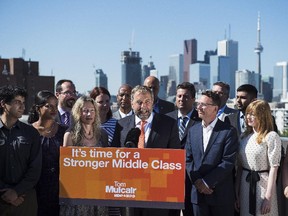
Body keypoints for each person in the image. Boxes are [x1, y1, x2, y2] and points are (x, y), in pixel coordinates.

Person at [112, 85, 181, 216]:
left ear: (153, 102)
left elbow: (175, 158)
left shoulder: (169, 124)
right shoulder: (121, 125)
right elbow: (115, 157)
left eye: (147, 102)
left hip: (158, 193)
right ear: (131, 104)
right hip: (130, 193)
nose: (143, 106)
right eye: (139, 102)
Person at [186, 90, 238, 216]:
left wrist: (206, 182)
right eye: (198, 104)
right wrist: (198, 181)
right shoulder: (193, 131)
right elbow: (187, 159)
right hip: (197, 196)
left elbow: (228, 162)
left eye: (203, 104)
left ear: (215, 108)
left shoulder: (228, 131)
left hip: (220, 196)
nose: (198, 107)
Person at [61, 96, 108, 216]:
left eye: (92, 110)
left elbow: (107, 162)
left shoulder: (102, 134)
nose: (89, 114)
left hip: (98, 190)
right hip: (76, 192)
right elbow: (66, 169)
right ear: (78, 112)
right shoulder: (70, 135)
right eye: (85, 110)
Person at [0, 85, 42, 216]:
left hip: (25, 200)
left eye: (23, 103)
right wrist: (5, 192)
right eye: (17, 102)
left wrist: (17, 192)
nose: (22, 107)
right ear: (3, 104)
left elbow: (35, 169)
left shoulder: (31, 133)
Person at [235, 100, 281, 216]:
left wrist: (268, 197)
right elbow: (240, 167)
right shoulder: (244, 137)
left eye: (253, 114)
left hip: (264, 185)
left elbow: (274, 168)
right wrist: (237, 192)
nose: (248, 117)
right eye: (248, 113)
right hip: (245, 185)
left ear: (262, 115)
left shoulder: (271, 136)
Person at [27, 90, 68, 216]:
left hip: (60, 189)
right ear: (38, 108)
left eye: (55, 105)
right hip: (35, 189)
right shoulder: (28, 131)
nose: (53, 109)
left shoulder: (64, 131)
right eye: (48, 106)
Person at [166, 82, 201, 216]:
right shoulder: (167, 118)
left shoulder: (200, 119)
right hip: (170, 176)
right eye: (179, 96)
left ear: (193, 99)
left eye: (186, 96)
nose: (181, 99)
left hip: (192, 176)